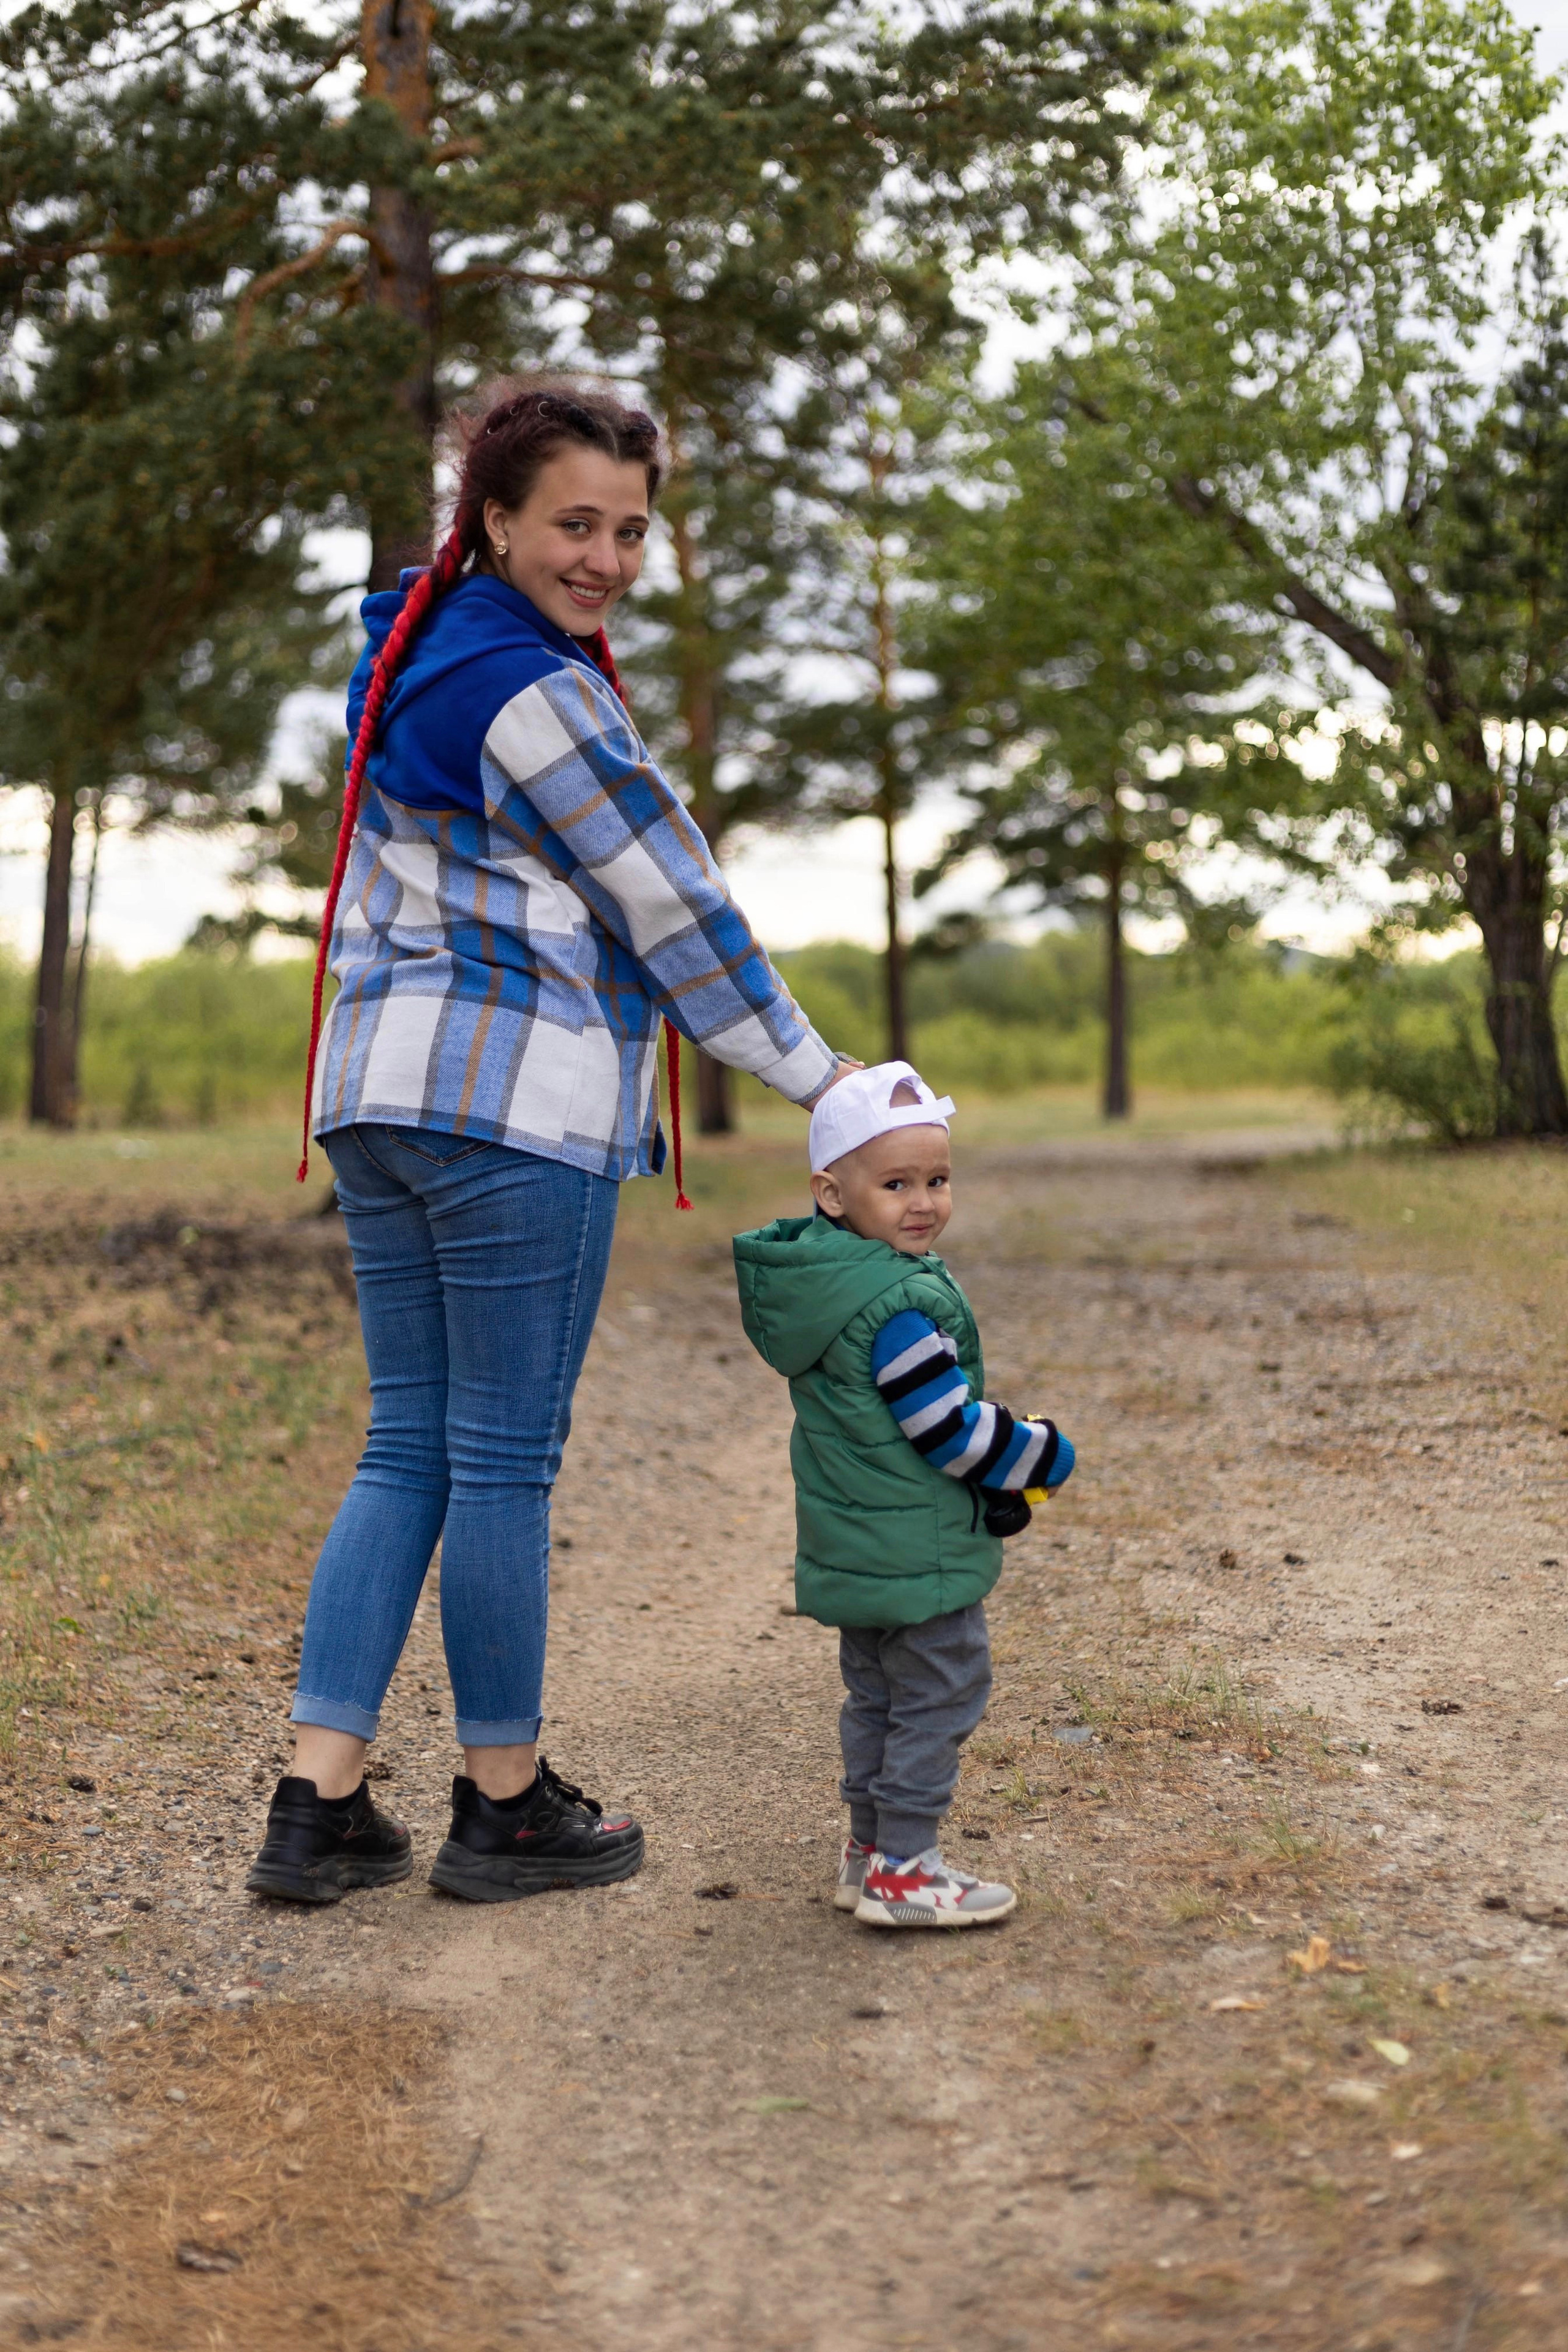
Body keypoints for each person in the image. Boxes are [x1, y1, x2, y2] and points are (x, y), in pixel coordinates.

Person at [246, 379, 853, 1907]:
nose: (605, 557)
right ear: (495, 518)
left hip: (376, 1099)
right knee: (500, 1464)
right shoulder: (537, 693)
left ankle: (316, 1808)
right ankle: (503, 1802)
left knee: (408, 1446)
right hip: (510, 1114)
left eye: (632, 530)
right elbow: (675, 910)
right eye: (574, 523)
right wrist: (824, 1081)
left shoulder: (408, 652)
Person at [733, 1061, 1076, 1927]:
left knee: (877, 1697)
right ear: (833, 1192)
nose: (923, 1201)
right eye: (896, 1184)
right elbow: (947, 1430)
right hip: (915, 1550)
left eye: (937, 1180)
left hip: (856, 1544)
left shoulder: (828, 1282)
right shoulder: (898, 1305)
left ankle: (866, 1850)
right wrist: (1038, 1452)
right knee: (942, 1690)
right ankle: (906, 1868)